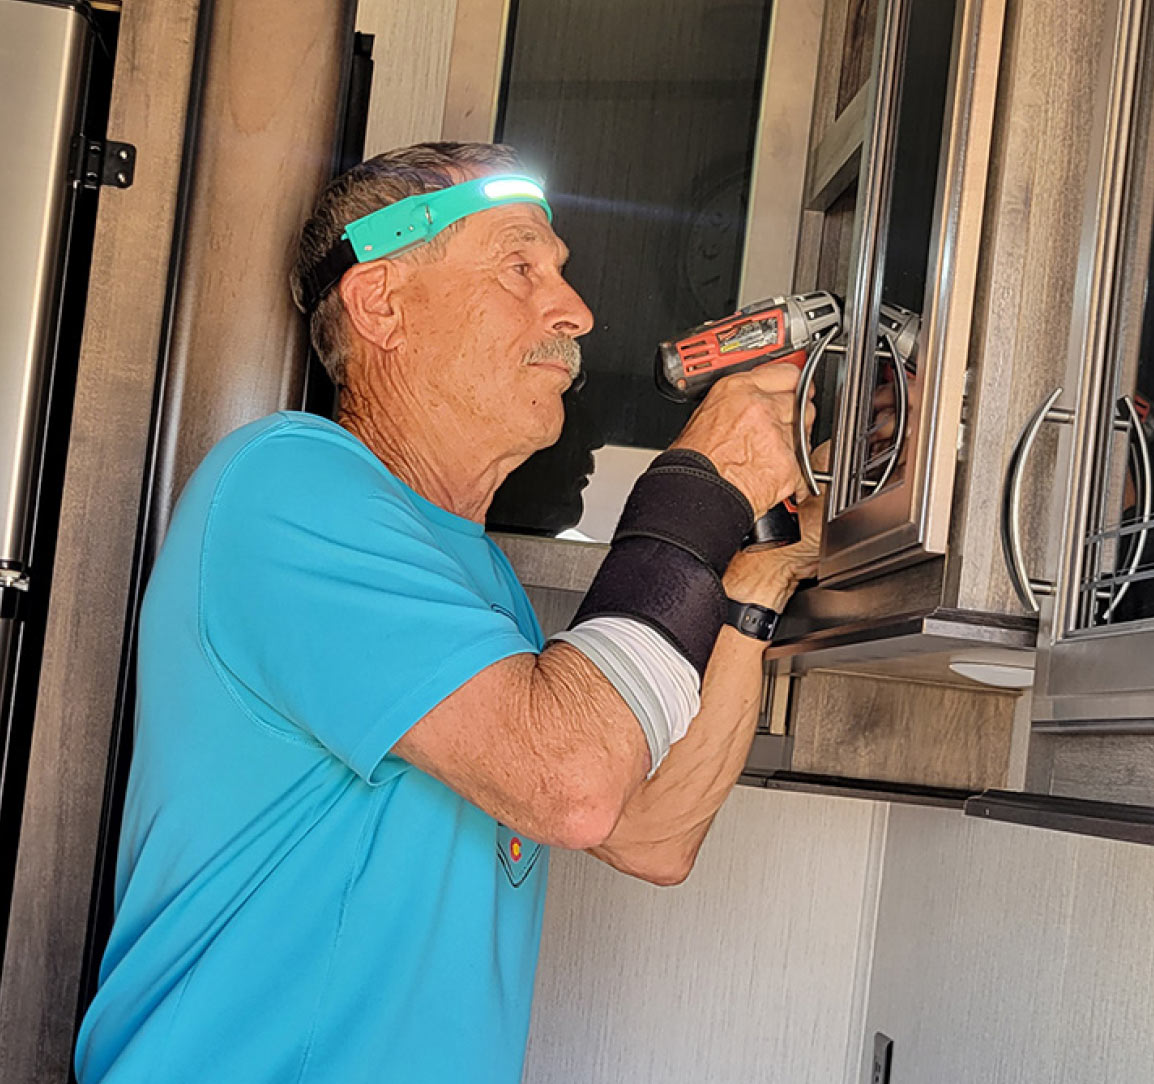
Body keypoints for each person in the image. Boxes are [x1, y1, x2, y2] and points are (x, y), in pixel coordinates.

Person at [74, 142, 821, 1084]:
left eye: (561, 273)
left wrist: (753, 589)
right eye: (520, 265)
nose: (576, 311)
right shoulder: (283, 485)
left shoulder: (481, 583)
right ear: (381, 302)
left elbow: (652, 834)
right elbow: (573, 781)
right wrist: (698, 487)